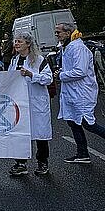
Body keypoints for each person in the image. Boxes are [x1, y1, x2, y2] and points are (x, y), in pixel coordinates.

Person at [54, 22, 105, 164]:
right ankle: (82, 153)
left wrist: (61, 75)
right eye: (56, 32)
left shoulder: (78, 48)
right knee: (73, 122)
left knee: (88, 124)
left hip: (82, 92)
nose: (56, 34)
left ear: (68, 32)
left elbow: (80, 71)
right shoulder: (67, 47)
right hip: (72, 92)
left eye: (59, 32)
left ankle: (82, 152)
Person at [7, 32, 53, 176]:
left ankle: (42, 162)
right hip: (19, 103)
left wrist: (31, 75)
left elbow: (48, 79)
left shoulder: (39, 60)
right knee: (20, 133)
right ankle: (21, 163)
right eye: (15, 41)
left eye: (20, 41)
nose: (16, 44)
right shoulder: (14, 60)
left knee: (40, 134)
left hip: (36, 102)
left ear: (28, 44)